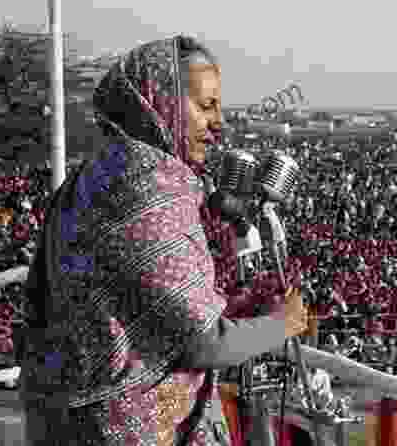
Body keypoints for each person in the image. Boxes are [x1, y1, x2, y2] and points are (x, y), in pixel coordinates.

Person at [19, 35, 309, 446]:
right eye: (206, 106)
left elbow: (136, 311)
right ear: (161, 101)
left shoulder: (90, 175)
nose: (218, 123)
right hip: (122, 427)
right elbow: (204, 344)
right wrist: (282, 324)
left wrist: (228, 309)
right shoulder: (152, 188)